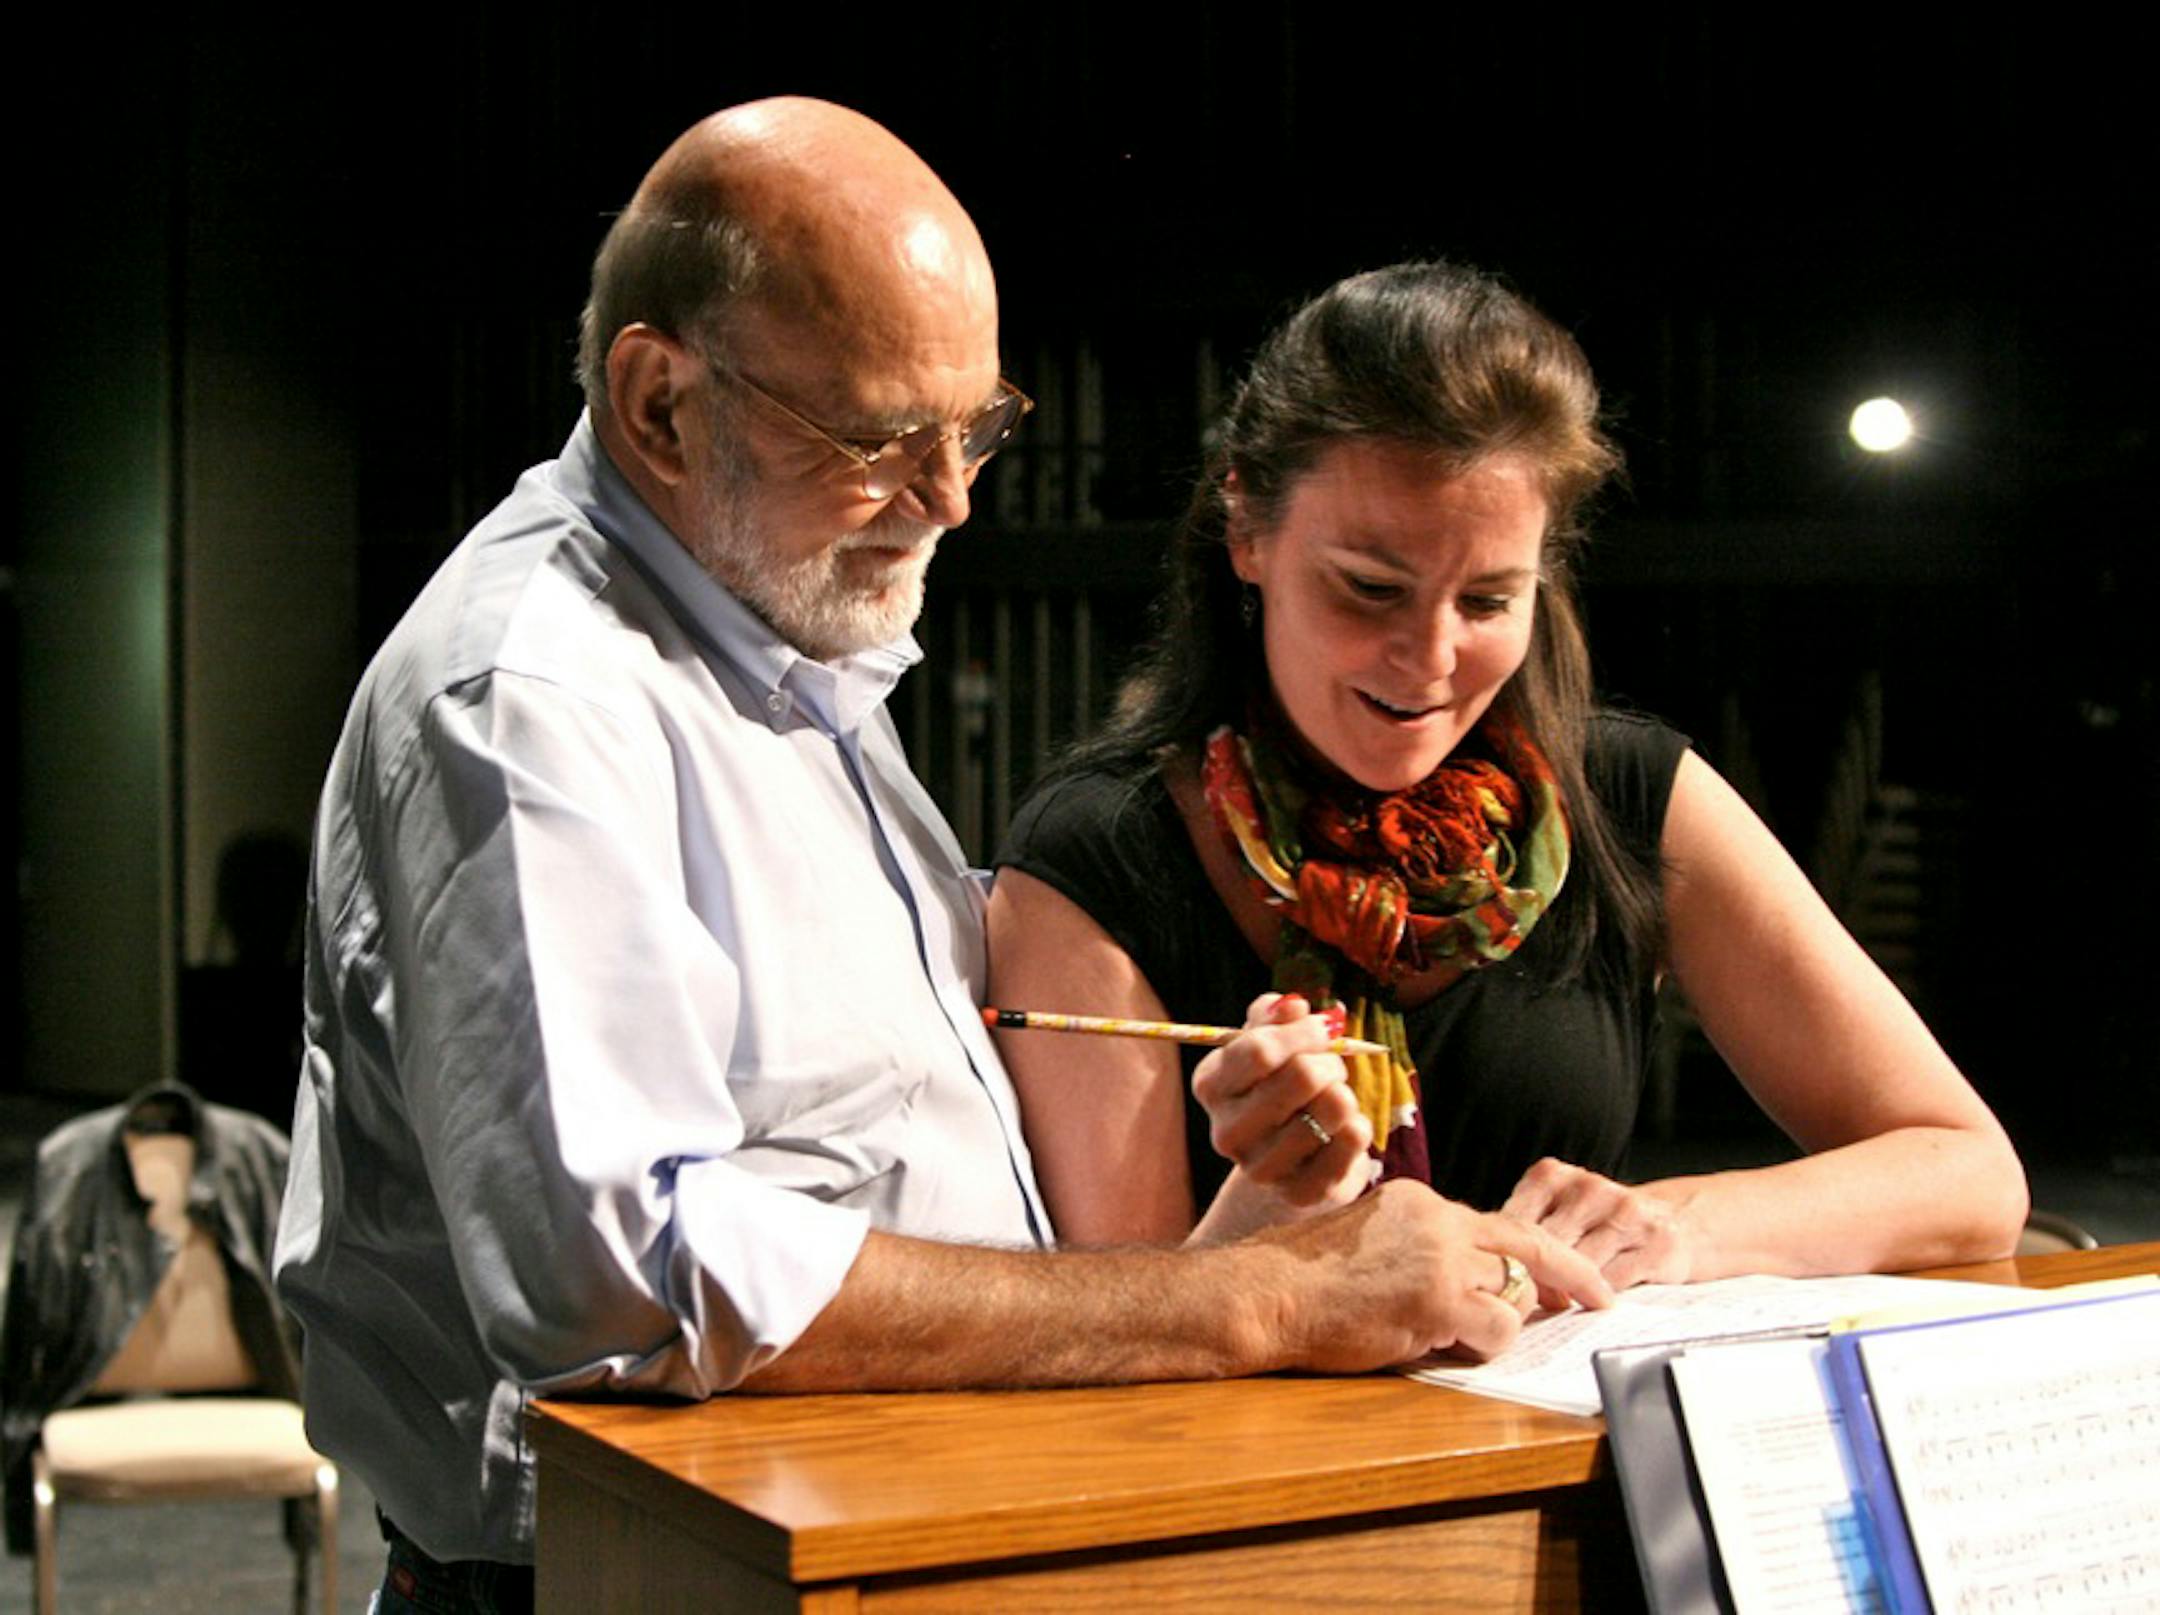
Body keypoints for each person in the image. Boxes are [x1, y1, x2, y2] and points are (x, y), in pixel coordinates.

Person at [274, 104, 1611, 1605]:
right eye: (881, 439)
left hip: (844, 1534)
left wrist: (1252, 1207)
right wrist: (1239, 1298)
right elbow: (625, 1276)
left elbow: (867, 1153)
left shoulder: (779, 645)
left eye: (975, 427)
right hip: (627, 1569)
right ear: (657, 403)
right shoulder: (534, 697)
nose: (951, 497)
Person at [990, 261, 2030, 1281]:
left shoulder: (1626, 793)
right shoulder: (1099, 852)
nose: (1432, 656)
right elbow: (1122, 1348)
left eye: (1488, 601)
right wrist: (1266, 1211)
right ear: (1246, 531)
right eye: (1369, 589)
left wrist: (1677, 1226)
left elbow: (1970, 1173)